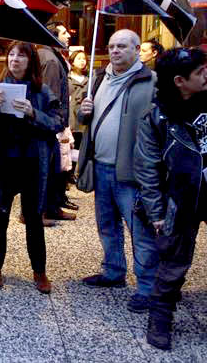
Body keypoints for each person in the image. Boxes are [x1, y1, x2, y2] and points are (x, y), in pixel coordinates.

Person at [135, 47, 207, 349]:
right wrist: (155, 213)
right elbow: (147, 168)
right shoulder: (157, 117)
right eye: (200, 73)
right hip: (181, 197)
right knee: (174, 263)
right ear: (180, 81)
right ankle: (160, 321)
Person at [77, 29, 159, 313]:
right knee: (107, 225)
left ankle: (148, 288)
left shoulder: (150, 82)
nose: (115, 51)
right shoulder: (99, 78)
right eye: (111, 46)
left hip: (132, 173)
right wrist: (83, 111)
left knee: (140, 231)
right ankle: (113, 272)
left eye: (122, 46)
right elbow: (85, 119)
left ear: (137, 49)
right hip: (101, 166)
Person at [0, 42, 60, 294]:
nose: (14, 60)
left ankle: (39, 271)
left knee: (34, 218)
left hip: (33, 163)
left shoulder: (43, 91)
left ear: (31, 61)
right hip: (2, 163)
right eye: (11, 54)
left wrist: (34, 114)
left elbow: (58, 122)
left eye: (21, 56)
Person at [38, 23, 77, 222]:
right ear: (52, 35)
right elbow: (50, 95)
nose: (68, 36)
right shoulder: (50, 59)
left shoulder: (50, 55)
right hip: (52, 123)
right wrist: (55, 122)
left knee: (56, 167)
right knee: (49, 168)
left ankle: (53, 206)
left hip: (54, 121)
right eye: (64, 33)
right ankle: (43, 210)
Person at [68, 50, 89, 151]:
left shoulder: (88, 79)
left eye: (84, 59)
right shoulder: (67, 78)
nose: (82, 61)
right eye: (79, 58)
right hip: (70, 117)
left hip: (83, 118)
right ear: (72, 61)